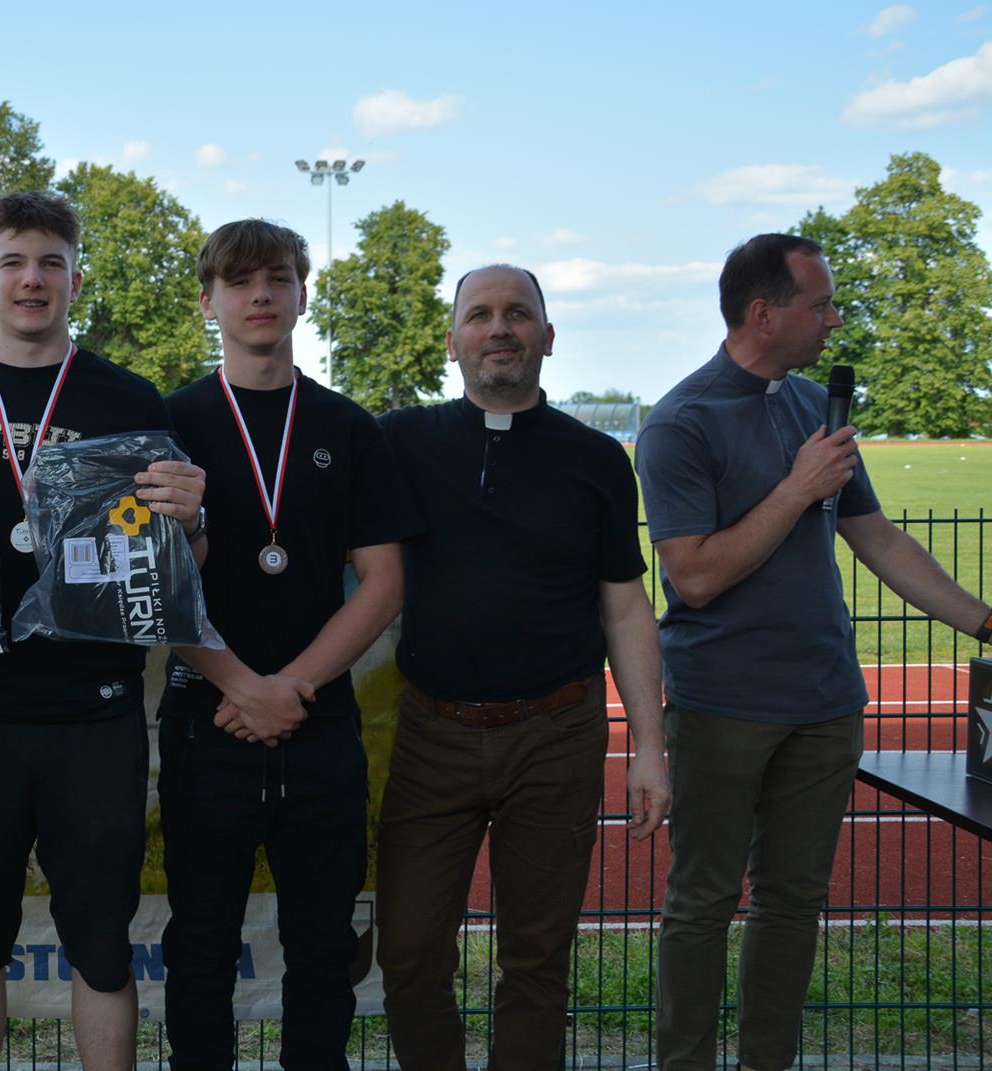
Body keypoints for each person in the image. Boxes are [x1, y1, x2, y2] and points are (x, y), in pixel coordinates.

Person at [637, 233, 992, 1071]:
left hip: (826, 702)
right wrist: (797, 489)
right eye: (822, 304)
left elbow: (880, 540)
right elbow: (694, 576)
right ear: (764, 313)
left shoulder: (813, 410)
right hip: (723, 705)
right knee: (702, 901)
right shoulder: (681, 421)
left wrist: (986, 623)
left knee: (794, 901)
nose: (835, 319)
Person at [0, 190, 207, 1071]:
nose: (31, 279)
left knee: (102, 945)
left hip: (95, 713)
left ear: (76, 278)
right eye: (13, 262)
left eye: (50, 263)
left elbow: (182, 558)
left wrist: (193, 519)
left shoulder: (128, 396)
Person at [374, 264, 671, 1071]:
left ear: (548, 335)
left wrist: (649, 746)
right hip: (431, 734)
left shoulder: (597, 460)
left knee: (537, 959)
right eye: (480, 314)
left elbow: (625, 608)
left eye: (517, 312)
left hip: (556, 734)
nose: (499, 327)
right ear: (452, 341)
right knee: (407, 948)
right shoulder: (399, 442)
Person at [158, 219, 416, 1070]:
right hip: (206, 725)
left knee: (322, 951)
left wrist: (289, 688)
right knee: (200, 947)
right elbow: (152, 585)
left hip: (319, 726)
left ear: (303, 294)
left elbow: (384, 582)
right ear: (209, 301)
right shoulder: (168, 424)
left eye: (277, 278)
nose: (261, 295)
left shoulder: (349, 427)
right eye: (239, 281)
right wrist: (241, 685)